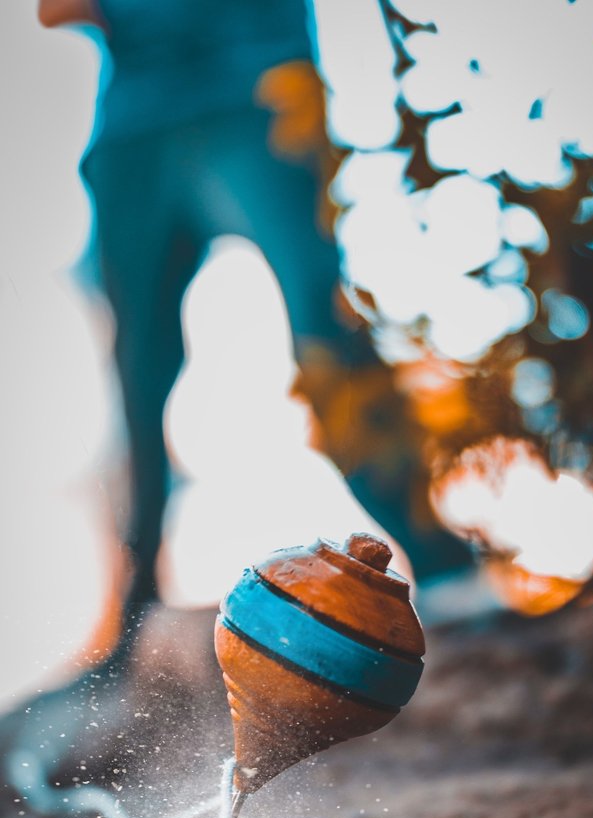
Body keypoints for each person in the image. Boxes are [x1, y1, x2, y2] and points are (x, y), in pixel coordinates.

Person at [37, 0, 474, 619]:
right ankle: (137, 606)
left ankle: (444, 567)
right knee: (138, 372)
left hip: (260, 91)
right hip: (136, 122)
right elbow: (53, 9)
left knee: (322, 331)